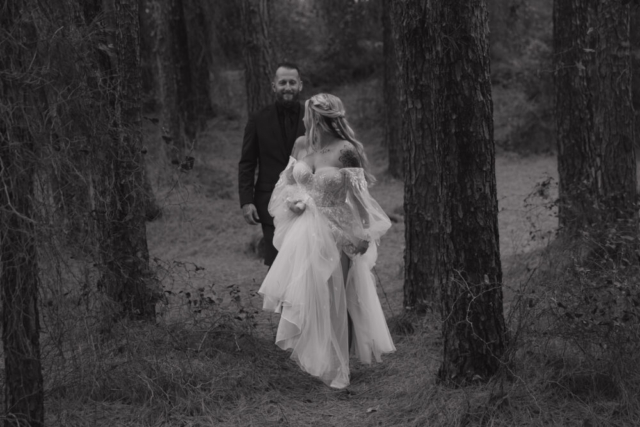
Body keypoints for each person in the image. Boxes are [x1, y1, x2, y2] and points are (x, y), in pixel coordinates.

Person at [258, 93, 396, 389]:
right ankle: (318, 359)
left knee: (337, 295)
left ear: (318, 118)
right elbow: (286, 182)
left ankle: (340, 367)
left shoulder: (347, 150)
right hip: (305, 229)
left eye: (308, 114)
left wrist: (363, 232)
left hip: (338, 228)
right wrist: (292, 201)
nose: (305, 119)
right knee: (309, 295)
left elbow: (360, 196)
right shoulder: (301, 144)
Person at [238, 62, 306, 267]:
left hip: (306, 202)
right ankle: (276, 300)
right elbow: (247, 163)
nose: (288, 87)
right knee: (276, 263)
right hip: (269, 203)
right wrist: (246, 201)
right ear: (273, 85)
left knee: (303, 264)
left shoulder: (313, 117)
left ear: (300, 85)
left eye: (292, 82)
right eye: (282, 82)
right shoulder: (258, 119)